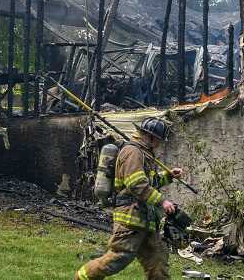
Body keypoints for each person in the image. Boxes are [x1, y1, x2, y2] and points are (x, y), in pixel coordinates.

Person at [76, 117, 183, 280]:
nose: (160, 144)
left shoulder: (144, 154)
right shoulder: (132, 152)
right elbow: (136, 184)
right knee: (117, 259)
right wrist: (163, 201)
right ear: (151, 137)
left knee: (158, 262)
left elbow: (149, 182)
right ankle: (81, 277)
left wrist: (168, 176)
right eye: (159, 140)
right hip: (130, 220)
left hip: (146, 220)